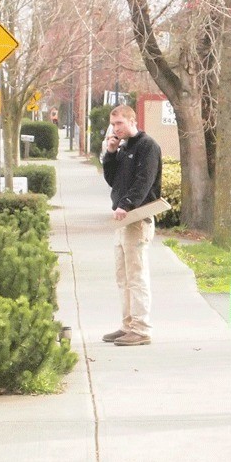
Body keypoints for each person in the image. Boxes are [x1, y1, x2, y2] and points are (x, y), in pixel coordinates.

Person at [101, 105, 162, 346]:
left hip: (138, 218)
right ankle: (127, 325)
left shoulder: (147, 146)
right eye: (113, 125)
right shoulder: (124, 146)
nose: (116, 129)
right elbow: (113, 180)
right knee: (122, 276)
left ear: (132, 121)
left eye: (120, 124)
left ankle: (141, 328)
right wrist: (111, 154)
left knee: (136, 276)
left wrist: (126, 204)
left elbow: (144, 181)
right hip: (123, 220)